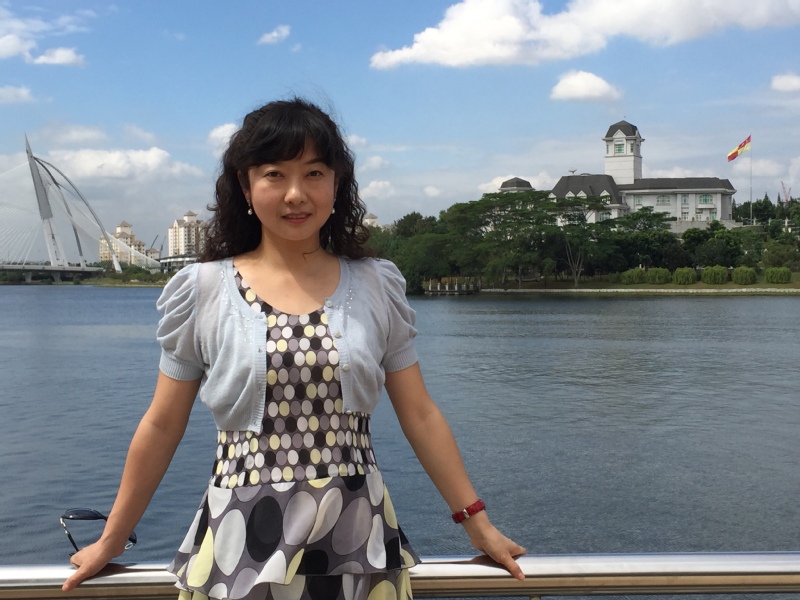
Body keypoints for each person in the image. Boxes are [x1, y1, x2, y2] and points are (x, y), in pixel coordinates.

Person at [62, 97, 525, 599]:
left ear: (337, 183)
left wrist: (477, 522)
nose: (295, 194)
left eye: (314, 173)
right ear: (245, 186)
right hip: (241, 540)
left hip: (356, 535)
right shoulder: (203, 290)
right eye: (274, 175)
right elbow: (162, 423)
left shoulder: (376, 285)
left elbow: (420, 414)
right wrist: (112, 538)